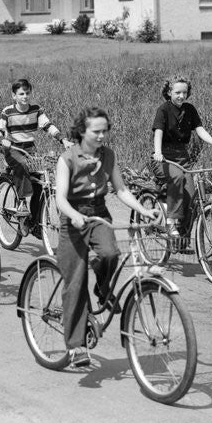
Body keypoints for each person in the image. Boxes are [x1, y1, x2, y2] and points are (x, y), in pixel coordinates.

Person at [55, 107, 157, 368]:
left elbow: (121, 189)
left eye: (105, 131)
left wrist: (144, 210)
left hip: (99, 214)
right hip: (74, 220)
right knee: (76, 283)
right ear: (82, 131)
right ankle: (76, 347)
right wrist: (74, 216)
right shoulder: (67, 159)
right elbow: (60, 199)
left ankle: (102, 289)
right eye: (96, 131)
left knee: (111, 253)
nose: (102, 136)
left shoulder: (108, 155)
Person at [152, 76, 212, 245]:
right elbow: (158, 131)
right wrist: (157, 151)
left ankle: (182, 240)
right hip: (162, 158)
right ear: (168, 92)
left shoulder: (190, 109)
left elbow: (200, 130)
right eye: (177, 92)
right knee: (177, 177)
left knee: (191, 197)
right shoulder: (163, 110)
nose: (181, 96)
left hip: (182, 157)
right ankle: (171, 222)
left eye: (184, 92)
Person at [0, 78, 71, 220]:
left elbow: (48, 126)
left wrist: (63, 140)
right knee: (22, 164)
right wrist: (2, 140)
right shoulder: (8, 112)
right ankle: (21, 201)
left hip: (30, 149)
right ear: (14, 96)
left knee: (40, 182)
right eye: (21, 94)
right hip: (12, 149)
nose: (25, 96)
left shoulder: (36, 110)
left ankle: (35, 222)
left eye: (27, 93)